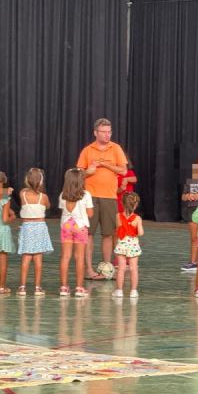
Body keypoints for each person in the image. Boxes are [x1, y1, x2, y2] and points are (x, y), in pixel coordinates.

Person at [76, 118, 128, 280]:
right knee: (88, 234)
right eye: (103, 132)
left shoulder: (116, 148)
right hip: (89, 197)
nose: (107, 135)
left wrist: (106, 165)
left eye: (109, 132)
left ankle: (107, 267)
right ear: (95, 133)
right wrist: (88, 172)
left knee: (108, 233)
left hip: (109, 196)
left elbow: (124, 170)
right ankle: (89, 269)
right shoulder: (87, 150)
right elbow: (77, 174)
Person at [17, 168, 53, 297]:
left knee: (26, 258)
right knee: (38, 258)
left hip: (27, 227)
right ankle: (37, 287)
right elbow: (48, 206)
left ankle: (22, 287)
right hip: (39, 227)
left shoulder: (22, 194)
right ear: (41, 181)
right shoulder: (43, 197)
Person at [58, 168, 94, 297]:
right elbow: (90, 214)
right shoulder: (86, 195)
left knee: (65, 257)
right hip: (80, 227)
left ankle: (63, 287)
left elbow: (63, 210)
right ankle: (79, 288)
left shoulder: (62, 195)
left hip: (66, 226)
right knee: (79, 257)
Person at [112, 192, 144, 299]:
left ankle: (119, 290)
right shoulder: (137, 218)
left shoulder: (118, 216)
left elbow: (118, 229)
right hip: (133, 245)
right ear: (135, 205)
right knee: (133, 269)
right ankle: (133, 291)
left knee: (121, 269)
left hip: (122, 244)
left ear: (122, 203)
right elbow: (140, 233)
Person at [114, 156, 137, 265]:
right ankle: (118, 257)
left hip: (128, 207)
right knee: (117, 232)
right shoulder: (114, 174)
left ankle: (129, 256)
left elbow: (135, 179)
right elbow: (113, 190)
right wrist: (120, 189)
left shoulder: (129, 172)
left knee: (128, 230)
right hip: (117, 205)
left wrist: (126, 179)